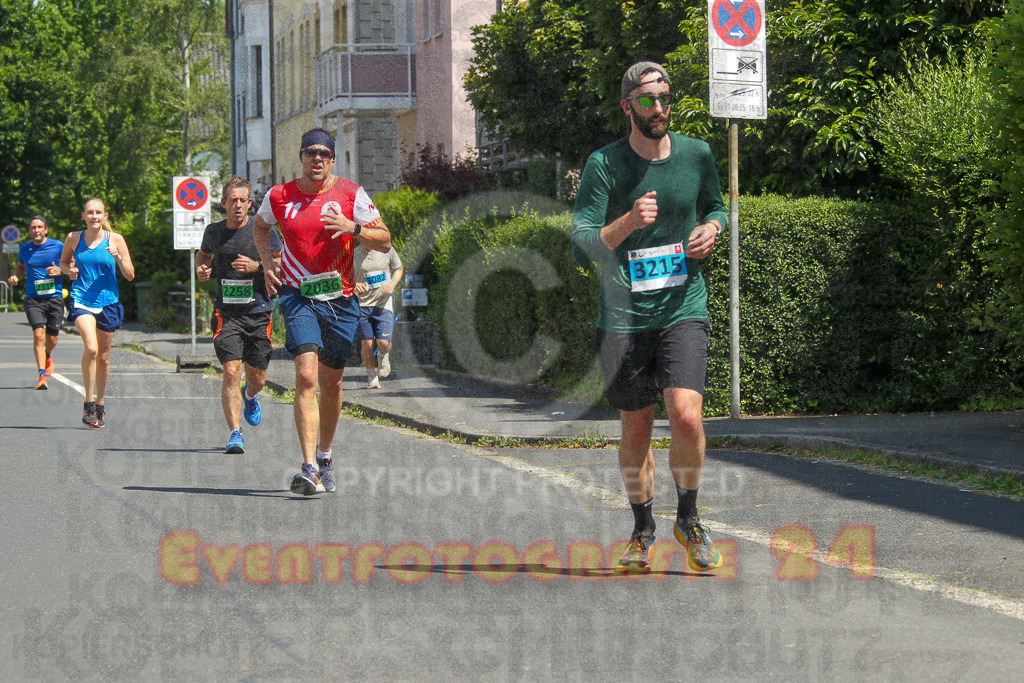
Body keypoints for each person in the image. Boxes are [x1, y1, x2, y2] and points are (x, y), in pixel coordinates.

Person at [571, 62, 729, 573]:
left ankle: (689, 518)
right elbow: (583, 243)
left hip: (684, 304)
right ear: (627, 107)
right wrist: (628, 222)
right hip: (623, 317)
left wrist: (713, 228)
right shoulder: (604, 165)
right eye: (647, 100)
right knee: (636, 426)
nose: (658, 108)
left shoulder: (697, 154)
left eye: (665, 98)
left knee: (686, 415)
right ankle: (642, 528)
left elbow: (717, 207)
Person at [253, 128, 392, 495]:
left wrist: (355, 227)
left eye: (324, 154)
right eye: (310, 153)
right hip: (298, 298)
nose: (317, 159)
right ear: (300, 157)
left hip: (341, 300)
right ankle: (309, 467)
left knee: (332, 384)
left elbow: (385, 238)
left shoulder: (351, 194)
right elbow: (261, 226)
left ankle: (325, 455)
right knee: (307, 377)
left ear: (332, 159)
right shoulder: (280, 196)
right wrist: (268, 261)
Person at [196, 176, 283, 454]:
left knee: (257, 378)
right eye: (232, 200)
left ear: (250, 203)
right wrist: (203, 269)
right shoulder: (214, 231)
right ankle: (235, 433)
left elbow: (280, 265)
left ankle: (251, 395)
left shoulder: (264, 230)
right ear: (223, 203)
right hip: (227, 313)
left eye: (242, 200)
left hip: (259, 311)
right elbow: (203, 256)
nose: (237, 205)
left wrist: (257, 266)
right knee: (231, 371)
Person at [60, 198, 135, 427]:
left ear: (105, 216)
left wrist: (118, 257)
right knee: (91, 348)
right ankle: (89, 402)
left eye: (98, 212)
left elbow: (130, 275)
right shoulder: (74, 238)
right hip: (81, 299)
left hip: (109, 302)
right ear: (83, 215)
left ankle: (101, 402)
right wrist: (69, 271)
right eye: (90, 212)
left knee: (103, 356)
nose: (94, 216)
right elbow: (63, 263)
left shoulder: (116, 240)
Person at [7, 216, 65, 390]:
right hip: (33, 298)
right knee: (38, 334)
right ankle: (41, 376)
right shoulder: (25, 248)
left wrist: (61, 270)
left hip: (54, 297)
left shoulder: (58, 246)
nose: (36, 230)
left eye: (40, 227)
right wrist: (16, 276)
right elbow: (21, 266)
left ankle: (48, 354)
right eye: (33, 228)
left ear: (46, 229)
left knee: (52, 338)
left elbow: (72, 264)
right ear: (29, 231)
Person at [352, 244, 403, 388]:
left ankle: (383, 355)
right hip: (362, 304)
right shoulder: (353, 253)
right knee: (367, 343)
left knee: (383, 343)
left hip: (383, 302)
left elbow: (398, 268)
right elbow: (344, 275)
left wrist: (392, 284)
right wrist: (354, 284)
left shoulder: (387, 249)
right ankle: (371, 376)